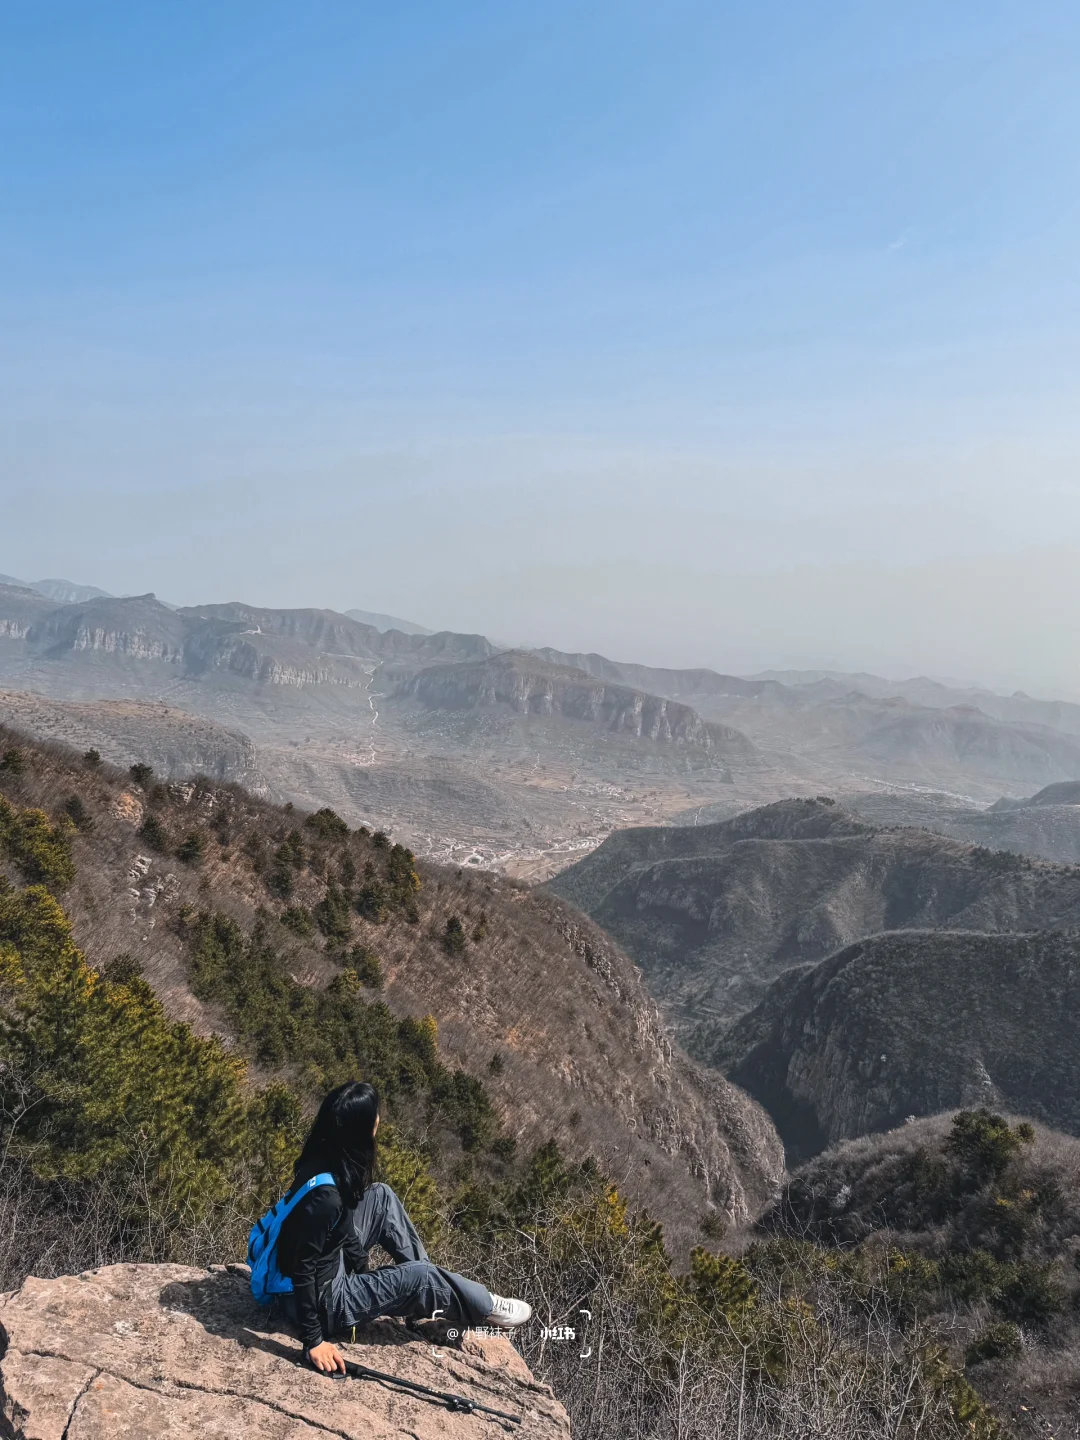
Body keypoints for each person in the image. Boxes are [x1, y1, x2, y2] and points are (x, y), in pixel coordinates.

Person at [276, 1079, 532, 1374]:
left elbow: (341, 1224)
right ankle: (485, 1305)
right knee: (421, 1276)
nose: (378, 1119)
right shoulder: (326, 1198)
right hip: (326, 1304)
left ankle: (426, 1299)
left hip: (330, 1271)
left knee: (381, 1196)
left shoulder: (323, 1158)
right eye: (374, 1115)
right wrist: (314, 1341)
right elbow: (303, 1267)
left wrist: (362, 1267)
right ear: (359, 1129)